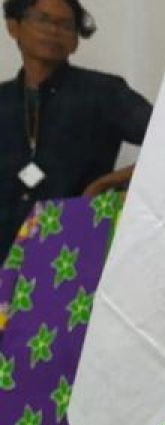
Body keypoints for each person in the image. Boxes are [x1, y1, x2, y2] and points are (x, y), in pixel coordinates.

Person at [0, 0, 151, 248]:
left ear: (76, 40)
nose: (53, 31)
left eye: (66, 25)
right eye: (43, 19)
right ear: (13, 27)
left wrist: (109, 183)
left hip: (72, 255)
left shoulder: (104, 93)